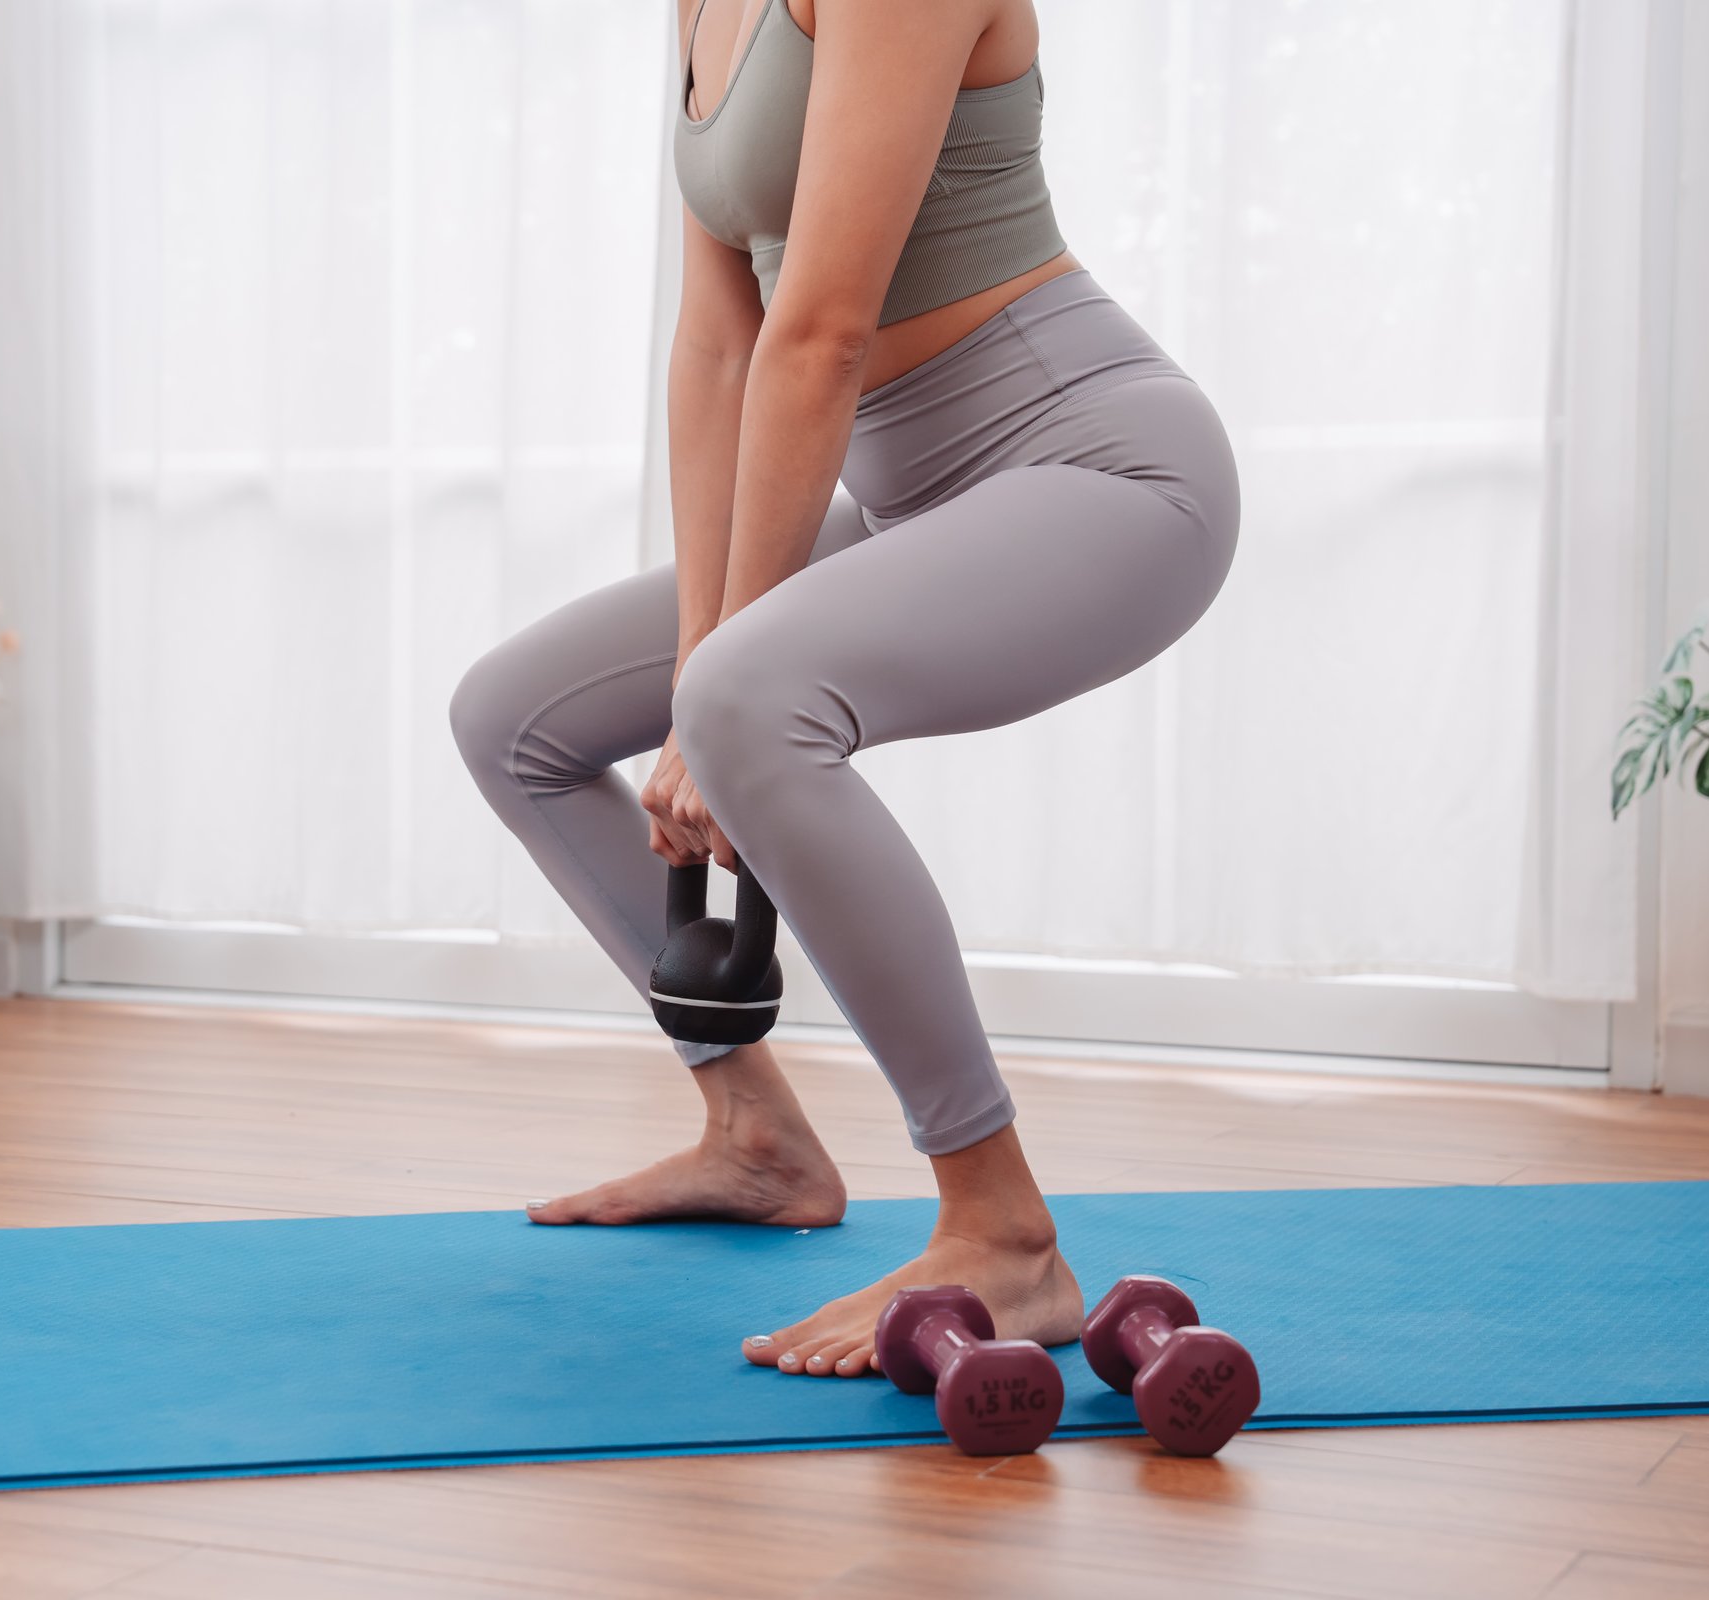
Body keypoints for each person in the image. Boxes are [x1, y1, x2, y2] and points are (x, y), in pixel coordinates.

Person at [449, 0, 1239, 1379]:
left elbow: (820, 329)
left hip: (1103, 475)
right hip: (909, 489)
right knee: (516, 716)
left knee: (748, 698)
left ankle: (1002, 1226)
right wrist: (704, 651)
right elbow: (717, 342)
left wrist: (721, 684)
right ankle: (755, 1137)